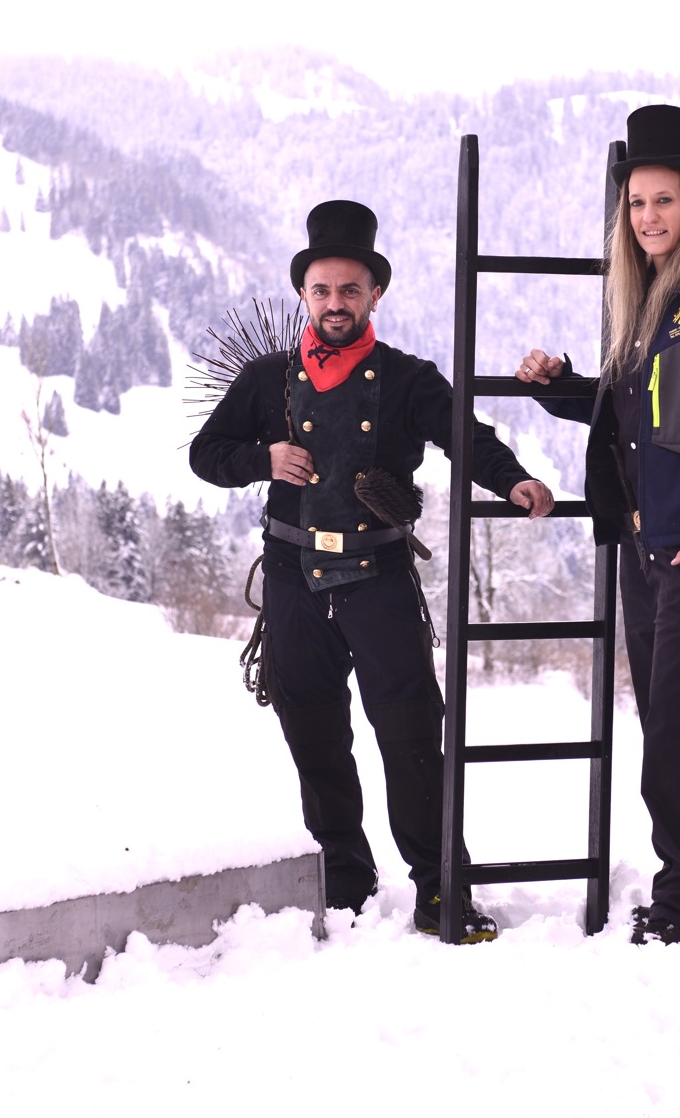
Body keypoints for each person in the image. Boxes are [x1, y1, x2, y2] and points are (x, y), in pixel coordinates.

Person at [192, 199, 554, 943]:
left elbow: (467, 436)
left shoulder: (408, 379)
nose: (336, 302)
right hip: (292, 580)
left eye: (350, 290)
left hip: (380, 579)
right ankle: (346, 884)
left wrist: (513, 480)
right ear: (303, 293)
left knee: (414, 738)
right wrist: (262, 458)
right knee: (315, 738)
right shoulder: (265, 379)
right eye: (322, 290)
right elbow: (206, 454)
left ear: (375, 294)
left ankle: (440, 889)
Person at [517, 104, 680, 945]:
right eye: (636, 202)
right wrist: (558, 385)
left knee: (677, 723)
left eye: (663, 199)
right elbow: (629, 413)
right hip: (645, 544)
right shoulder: (645, 304)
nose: (648, 216)